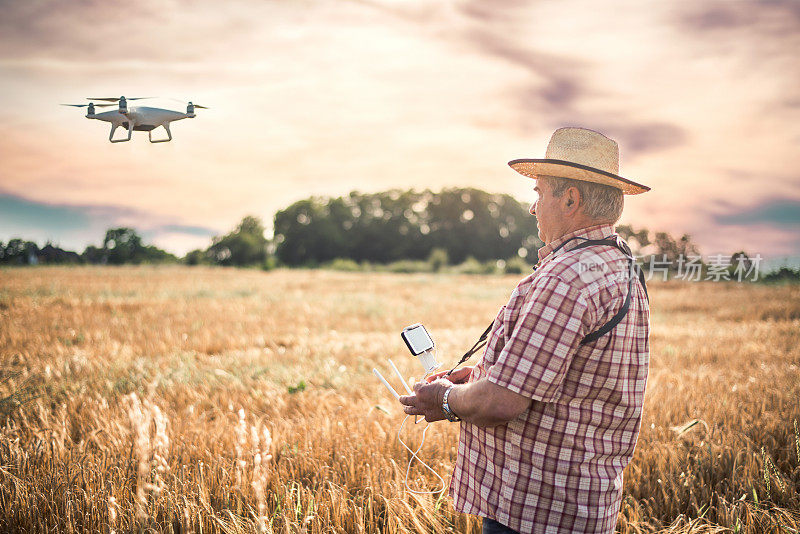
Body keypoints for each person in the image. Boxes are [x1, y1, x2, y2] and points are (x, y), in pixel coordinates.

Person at [399, 127, 651, 534]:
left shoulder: (568, 275)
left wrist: (445, 399)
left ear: (570, 199)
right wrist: (478, 378)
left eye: (538, 193)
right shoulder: (618, 264)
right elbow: (556, 373)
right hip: (579, 505)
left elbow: (501, 402)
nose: (533, 208)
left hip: (535, 510)